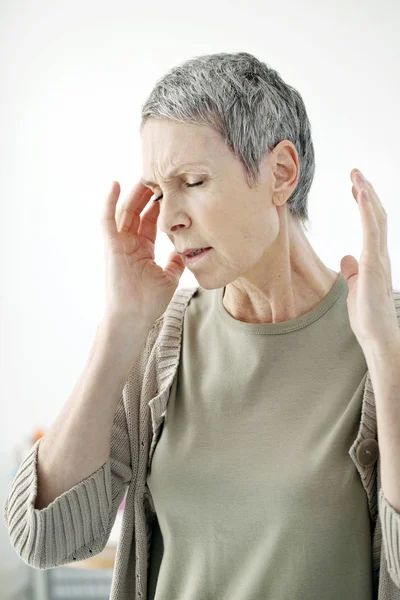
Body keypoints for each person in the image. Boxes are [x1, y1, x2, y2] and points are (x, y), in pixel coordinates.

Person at [4, 51, 400, 600]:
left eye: (193, 180)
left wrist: (386, 356)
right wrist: (121, 325)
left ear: (280, 173)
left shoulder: (385, 333)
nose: (168, 219)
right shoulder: (162, 339)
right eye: (161, 192)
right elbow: (44, 538)